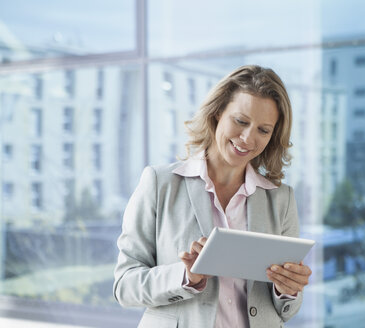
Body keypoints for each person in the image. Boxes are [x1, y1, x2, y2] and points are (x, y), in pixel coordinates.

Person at [113, 65, 312, 328]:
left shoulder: (281, 199)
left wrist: (288, 289)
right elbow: (124, 287)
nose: (247, 138)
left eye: (263, 130)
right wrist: (186, 276)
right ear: (218, 112)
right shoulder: (160, 184)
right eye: (241, 121)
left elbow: (287, 310)